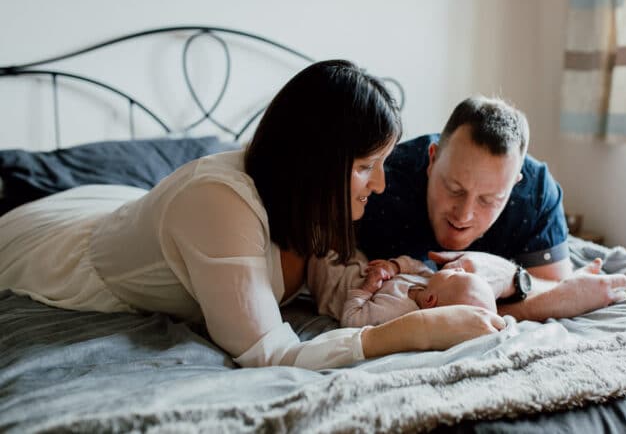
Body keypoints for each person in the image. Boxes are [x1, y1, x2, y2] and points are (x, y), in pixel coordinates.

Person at [0, 60, 506, 371]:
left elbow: (358, 283)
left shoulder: (309, 203)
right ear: (316, 163)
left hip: (123, 210)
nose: (379, 184)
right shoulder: (218, 203)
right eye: (365, 167)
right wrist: (418, 332)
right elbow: (271, 354)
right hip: (59, 248)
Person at [356, 95, 626, 319]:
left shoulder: (536, 191)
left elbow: (558, 285)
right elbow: (562, 296)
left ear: (515, 185)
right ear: (432, 158)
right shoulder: (381, 182)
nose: (463, 214)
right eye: (454, 189)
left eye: (489, 199)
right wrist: (545, 300)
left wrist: (513, 278)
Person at [307, 252, 497, 327]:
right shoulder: (429, 281)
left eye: (457, 275)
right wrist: (395, 266)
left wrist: (366, 289)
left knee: (316, 252)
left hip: (334, 286)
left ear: (431, 301)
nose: (460, 268)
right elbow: (413, 264)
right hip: (359, 263)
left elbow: (351, 320)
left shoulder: (397, 313)